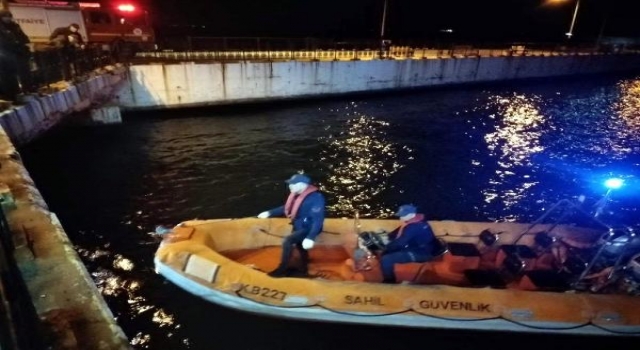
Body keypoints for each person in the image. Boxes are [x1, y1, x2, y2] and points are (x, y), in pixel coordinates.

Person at [257, 173, 326, 277]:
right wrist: (270, 212)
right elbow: (287, 208)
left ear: (303, 185)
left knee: (287, 241)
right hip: (298, 225)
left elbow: (317, 220)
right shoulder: (296, 194)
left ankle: (283, 268)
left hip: (308, 227)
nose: (290, 186)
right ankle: (303, 267)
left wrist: (311, 237)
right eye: (290, 184)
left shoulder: (316, 198)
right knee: (300, 246)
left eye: (293, 184)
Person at [379, 204, 436, 283]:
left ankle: (389, 282)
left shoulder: (413, 227)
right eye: (400, 215)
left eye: (403, 215)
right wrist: (387, 236)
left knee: (386, 259)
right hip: (422, 249)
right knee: (390, 251)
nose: (400, 218)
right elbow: (396, 234)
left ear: (412, 214)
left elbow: (400, 243)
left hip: (422, 254)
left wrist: (386, 248)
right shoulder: (418, 221)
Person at [0, 9, 32, 102]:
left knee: (24, 72)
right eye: (5, 16)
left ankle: (26, 90)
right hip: (6, 53)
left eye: (9, 16)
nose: (8, 18)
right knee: (8, 76)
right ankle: (12, 95)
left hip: (18, 52)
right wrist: (15, 44)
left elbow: (23, 36)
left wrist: (24, 44)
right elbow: (3, 41)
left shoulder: (15, 26)